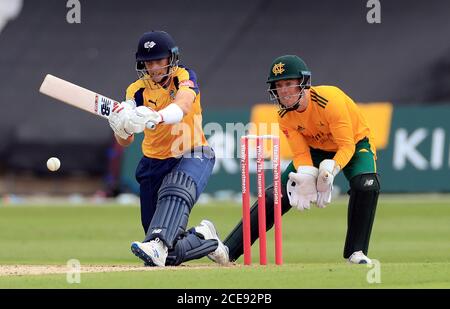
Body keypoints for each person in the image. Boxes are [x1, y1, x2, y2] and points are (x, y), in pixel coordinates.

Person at [222, 55, 380, 265]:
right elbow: (301, 154)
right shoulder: (284, 115)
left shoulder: (330, 101)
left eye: (289, 83)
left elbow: (346, 145)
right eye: (279, 85)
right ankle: (228, 251)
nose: (284, 90)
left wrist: (330, 171)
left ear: (303, 83)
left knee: (366, 185)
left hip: (355, 143)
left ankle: (356, 252)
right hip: (314, 150)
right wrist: (307, 174)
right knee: (274, 196)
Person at [108, 30, 228, 267]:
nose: (154, 68)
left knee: (175, 189)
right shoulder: (136, 90)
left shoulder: (184, 76)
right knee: (166, 253)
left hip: (193, 153)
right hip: (154, 163)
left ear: (171, 59)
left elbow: (183, 105)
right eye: (148, 62)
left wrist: (156, 117)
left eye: (158, 61)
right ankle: (204, 237)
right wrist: (122, 127)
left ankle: (159, 242)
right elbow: (126, 141)